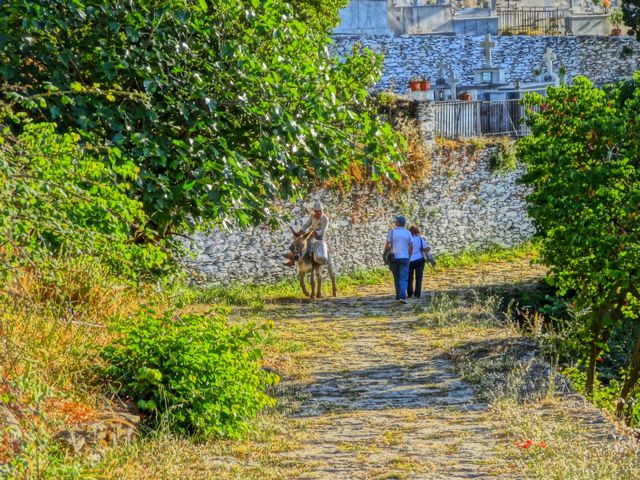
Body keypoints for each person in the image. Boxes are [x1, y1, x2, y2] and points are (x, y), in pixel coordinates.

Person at [285, 200, 329, 268]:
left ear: (322, 210)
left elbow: (323, 230)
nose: (318, 213)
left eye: (320, 211)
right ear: (314, 211)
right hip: (310, 234)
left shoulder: (325, 219)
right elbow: (306, 224)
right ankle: (292, 261)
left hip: (319, 237)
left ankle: (315, 264)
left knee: (312, 248)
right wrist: (301, 230)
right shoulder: (312, 216)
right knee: (297, 242)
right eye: (316, 211)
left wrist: (316, 233)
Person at [384, 215, 413, 304]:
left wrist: (385, 253)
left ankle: (398, 296)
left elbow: (387, 245)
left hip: (394, 258)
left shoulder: (391, 232)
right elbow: (411, 246)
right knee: (404, 278)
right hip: (404, 257)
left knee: (396, 277)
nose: (394, 223)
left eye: (395, 221)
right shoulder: (408, 233)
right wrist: (409, 256)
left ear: (398, 223)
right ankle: (402, 297)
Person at [407, 225, 427, 299]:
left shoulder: (408, 240)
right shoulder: (420, 239)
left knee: (409, 278)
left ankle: (409, 293)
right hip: (419, 260)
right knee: (419, 277)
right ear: (417, 231)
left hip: (409, 260)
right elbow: (425, 248)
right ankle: (417, 294)